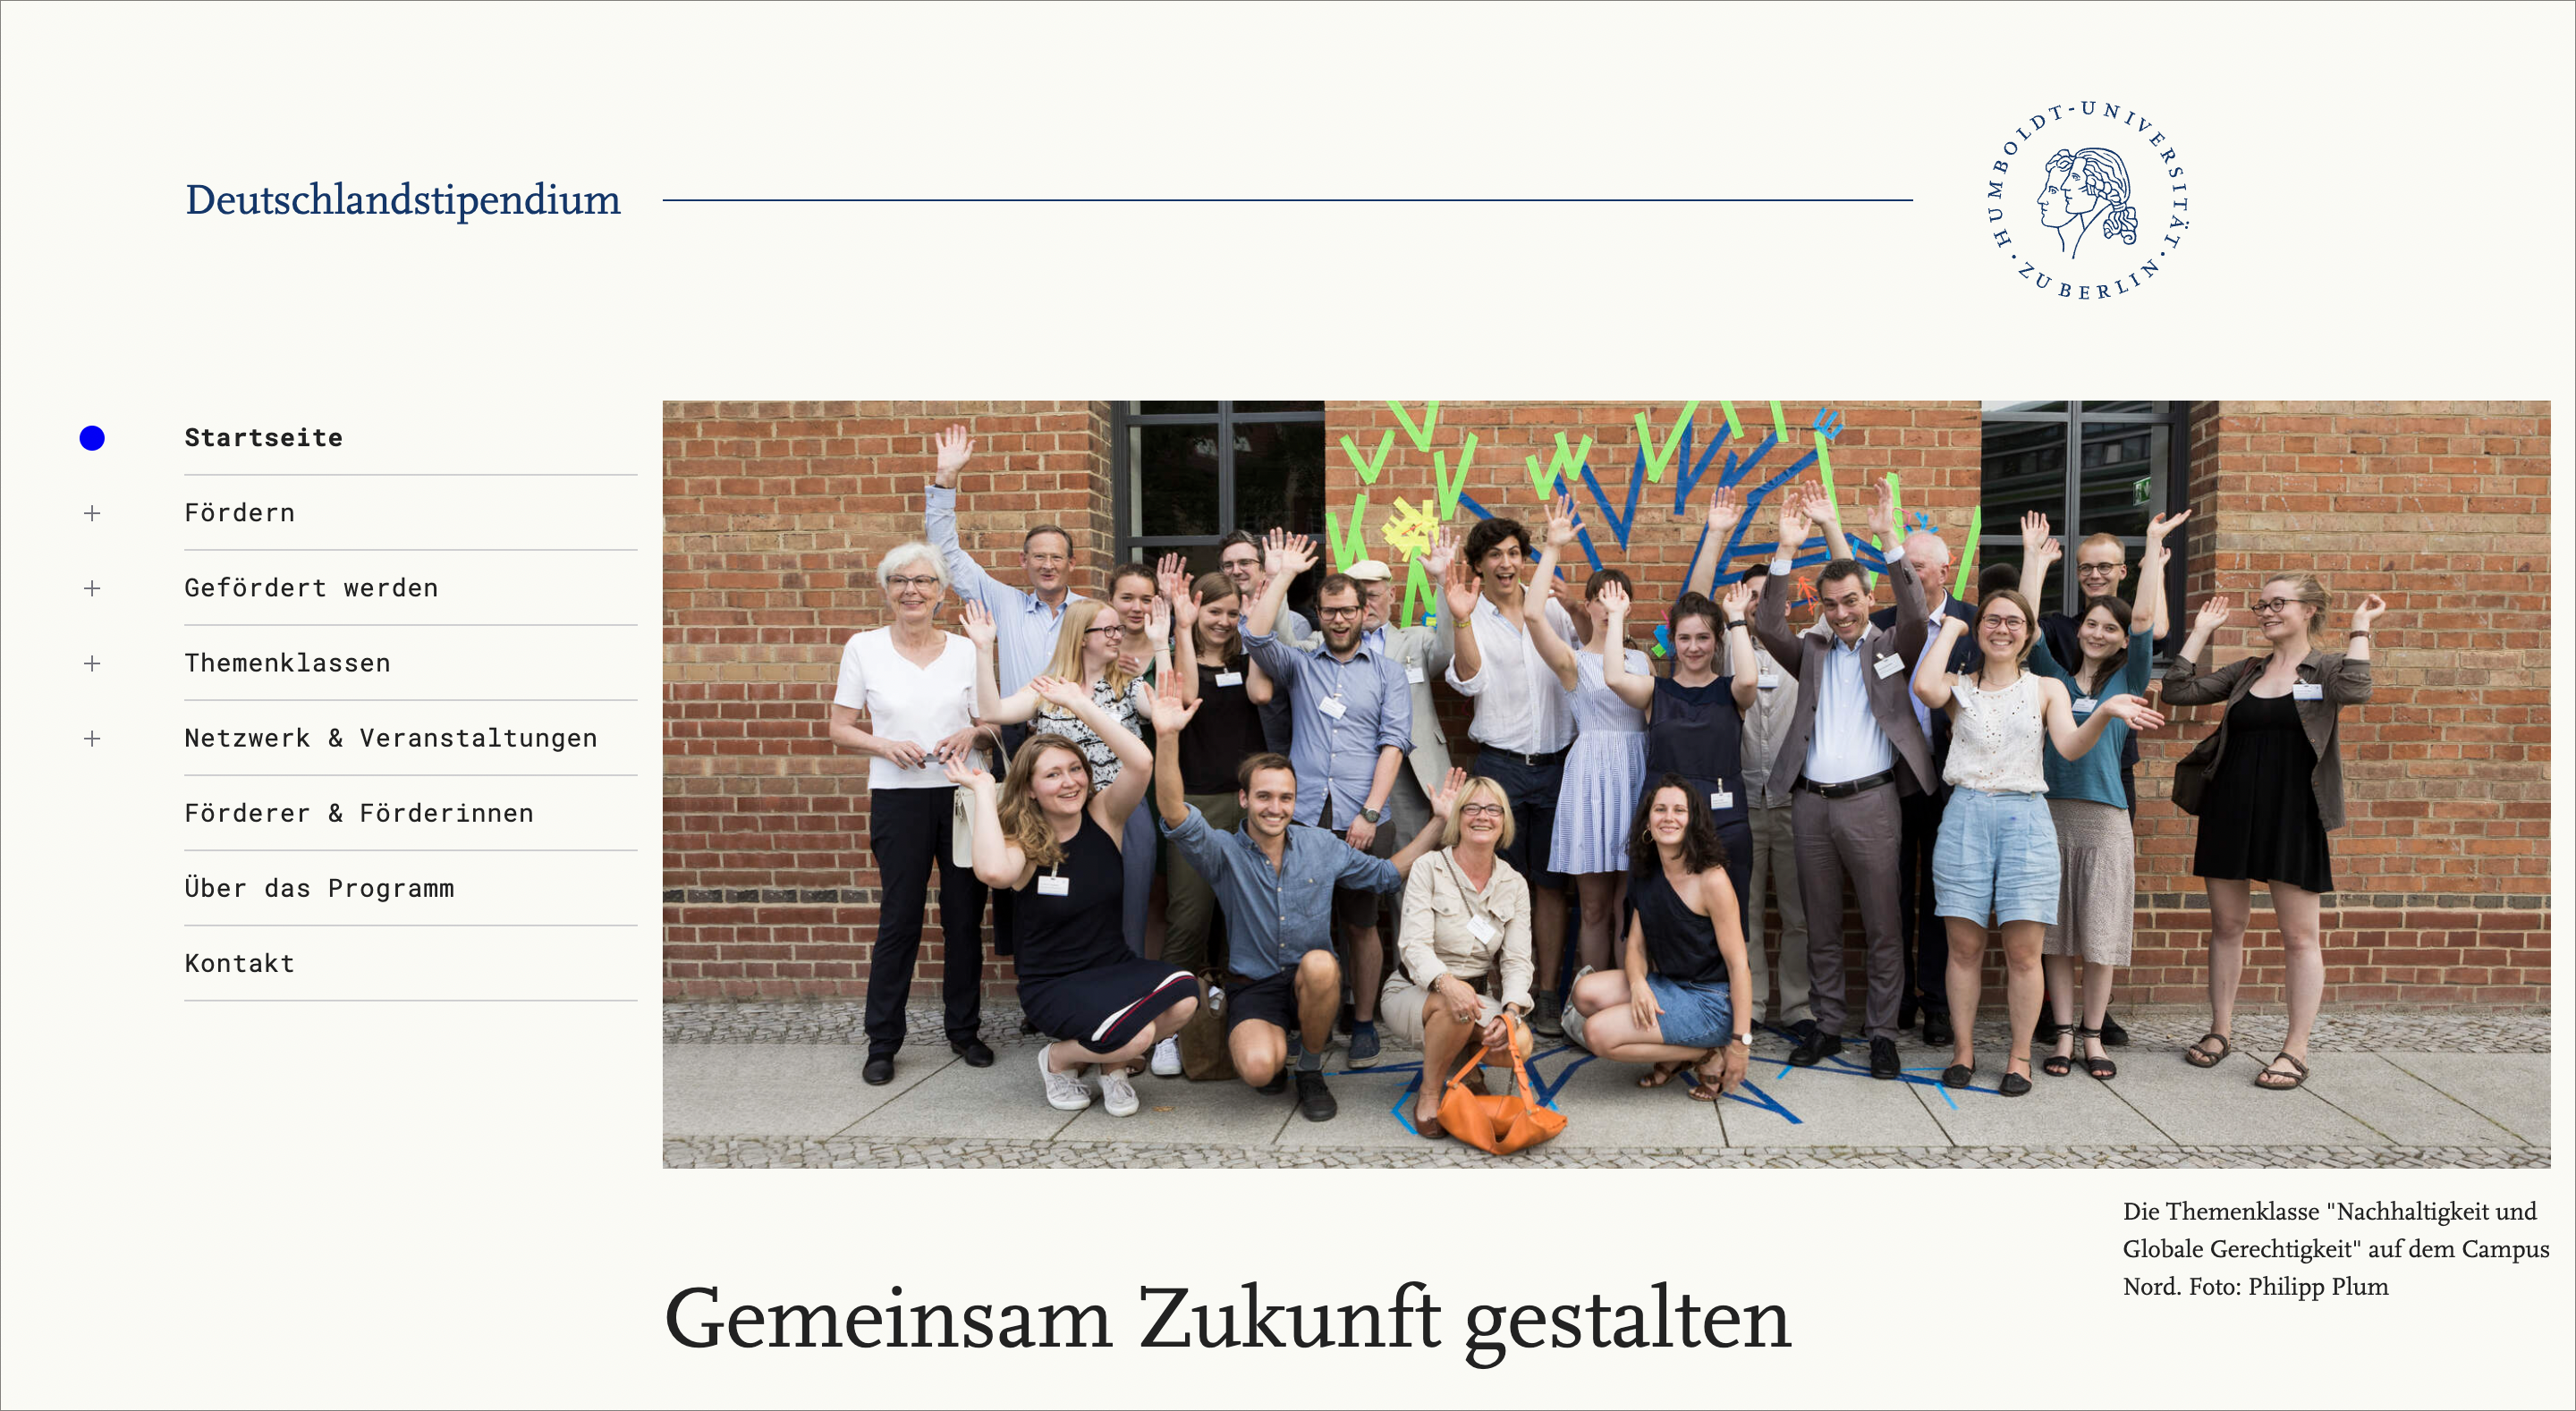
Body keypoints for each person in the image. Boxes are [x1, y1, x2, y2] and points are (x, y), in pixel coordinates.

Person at [1153, 672, 1464, 1120]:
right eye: (1263, 796)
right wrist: (1167, 737)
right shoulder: (1222, 853)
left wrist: (1437, 823)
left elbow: (1386, 874)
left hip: (1311, 984)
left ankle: (1312, 1070)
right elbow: (1173, 810)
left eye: (1285, 798)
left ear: (1295, 802)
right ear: (1243, 798)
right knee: (1261, 1070)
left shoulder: (1321, 847)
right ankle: (1279, 1054)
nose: (1274, 807)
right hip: (1253, 987)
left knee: (1320, 963)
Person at [1911, 587, 2161, 1094]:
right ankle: (1963, 1051)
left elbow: (2069, 747)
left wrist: (2106, 712)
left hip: (2026, 819)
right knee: (1963, 948)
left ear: (2028, 634)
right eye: (1991, 621)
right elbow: (1923, 687)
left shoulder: (2047, 687)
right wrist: (1952, 629)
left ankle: (2019, 1057)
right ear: (1979, 628)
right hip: (1965, 817)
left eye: (2013, 622)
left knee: (2025, 953)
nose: (2002, 629)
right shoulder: (1959, 687)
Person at [2164, 575, 2385, 1091]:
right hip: (2231, 809)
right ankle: (2220, 1032)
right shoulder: (2247, 671)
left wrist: (2359, 629)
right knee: (2226, 925)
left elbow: (2358, 689)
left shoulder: (2327, 669)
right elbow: (2179, 690)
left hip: (2295, 812)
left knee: (2299, 936)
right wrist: (2198, 632)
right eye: (2261, 605)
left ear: (2309, 610)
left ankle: (2295, 1049)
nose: (2265, 612)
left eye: (2277, 604)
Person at [1749, 482, 1936, 1079]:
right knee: (1822, 925)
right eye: (1832, 604)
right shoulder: (1809, 652)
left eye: (1851, 601)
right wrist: (1784, 551)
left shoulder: (1893, 644)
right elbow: (1768, 621)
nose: (1843, 612)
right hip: (1811, 807)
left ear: (1865, 597)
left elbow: (1913, 610)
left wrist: (1888, 540)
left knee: (1883, 927)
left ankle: (1882, 1032)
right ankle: (1828, 1025)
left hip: (1874, 802)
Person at [948, 681, 1195, 1117]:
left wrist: (1081, 705)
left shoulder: (1105, 816)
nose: (1069, 782)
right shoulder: (1023, 843)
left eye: (1074, 769)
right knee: (1137, 1036)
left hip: (1112, 966)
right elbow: (992, 873)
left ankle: (1112, 1066)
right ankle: (1060, 1060)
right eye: (1052, 774)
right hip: (1054, 985)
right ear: (1029, 788)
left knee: (1185, 997)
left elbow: (1140, 761)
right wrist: (985, 793)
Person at [2018, 511, 2185, 1079]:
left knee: (2101, 930)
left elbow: (2143, 621)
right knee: (2057, 933)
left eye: (2108, 629)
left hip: (2105, 818)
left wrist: (2153, 550)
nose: (2098, 633)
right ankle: (2061, 1035)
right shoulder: (2054, 679)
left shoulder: (2129, 680)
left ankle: (2094, 1036)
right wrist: (2034, 562)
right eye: (2092, 625)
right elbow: (2027, 623)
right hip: (2049, 816)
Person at [824, 543, 996, 1086]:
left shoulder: (969, 650)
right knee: (899, 919)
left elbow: (994, 723)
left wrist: (974, 731)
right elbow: (839, 726)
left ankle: (964, 1031)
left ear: (941, 592)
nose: (912, 591)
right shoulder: (864, 647)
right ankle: (882, 1042)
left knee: (964, 918)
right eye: (900, 581)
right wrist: (882, 745)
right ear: (886, 590)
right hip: (898, 798)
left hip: (963, 796)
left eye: (923, 582)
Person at [1240, 531, 1412, 1067]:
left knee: (1362, 922)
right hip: (1305, 815)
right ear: (1319, 614)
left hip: (1364, 813)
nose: (1339, 620)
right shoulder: (1301, 664)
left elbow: (1395, 743)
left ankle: (1362, 1022)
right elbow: (1254, 635)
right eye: (1330, 611)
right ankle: (1310, 1017)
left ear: (1366, 612)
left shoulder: (1388, 673)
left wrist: (1368, 812)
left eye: (1348, 611)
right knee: (1302, 922)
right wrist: (1283, 575)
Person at [1444, 511, 1584, 1037]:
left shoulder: (1549, 607)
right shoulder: (1467, 613)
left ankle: (1546, 996)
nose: (1506, 563)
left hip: (1555, 767)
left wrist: (1575, 609)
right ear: (1478, 566)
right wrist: (1460, 618)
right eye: (1494, 555)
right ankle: (1499, 995)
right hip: (1499, 767)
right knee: (1491, 887)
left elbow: (1583, 664)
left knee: (1550, 886)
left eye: (1513, 553)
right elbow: (1468, 681)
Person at [965, 595, 1165, 953]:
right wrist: (982, 650)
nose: (1117, 635)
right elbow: (991, 709)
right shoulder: (1047, 689)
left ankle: (1126, 990)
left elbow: (1166, 708)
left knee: (1129, 905)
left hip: (1124, 812)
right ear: (1082, 636)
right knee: (1062, 909)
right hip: (1060, 816)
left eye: (1118, 628)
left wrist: (1162, 645)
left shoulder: (1129, 686)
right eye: (1108, 629)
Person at [1679, 490, 1809, 1034]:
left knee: (1800, 916)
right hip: (1734, 807)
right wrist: (1714, 534)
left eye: (1768, 595)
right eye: (1752, 595)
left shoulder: (1807, 651)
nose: (1760, 603)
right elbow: (1692, 604)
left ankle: (1799, 1008)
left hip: (1794, 802)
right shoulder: (1722, 655)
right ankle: (1749, 1008)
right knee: (1744, 914)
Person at [1860, 492, 1977, 1050]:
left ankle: (1934, 999)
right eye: (1901, 561)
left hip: (1954, 779)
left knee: (1940, 893)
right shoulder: (1879, 624)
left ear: (1944, 570)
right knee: (1889, 887)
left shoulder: (1976, 626)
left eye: (1917, 562)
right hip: (1890, 776)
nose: (1906, 569)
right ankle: (1896, 996)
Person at [1566, 778, 1754, 1101]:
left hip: (1711, 1001)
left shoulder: (1712, 879)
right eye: (1660, 809)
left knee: (1596, 1035)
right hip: (1669, 985)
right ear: (1648, 821)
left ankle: (1708, 1053)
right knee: (1584, 992)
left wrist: (1740, 1043)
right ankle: (1687, 1052)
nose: (1669, 817)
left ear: (1693, 820)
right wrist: (1639, 984)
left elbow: (1739, 966)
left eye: (1679, 810)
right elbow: (1636, 946)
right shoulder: (1647, 870)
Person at [1526, 558, 1660, 979]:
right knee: (1595, 906)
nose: (1609, 606)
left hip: (1636, 777)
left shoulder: (1643, 663)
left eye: (1619, 597)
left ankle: (1628, 997)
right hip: (1591, 780)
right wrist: (1552, 549)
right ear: (1587, 606)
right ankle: (1590, 1004)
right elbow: (1532, 614)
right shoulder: (1572, 661)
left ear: (1630, 606)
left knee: (1631, 904)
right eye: (1601, 599)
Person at [1381, 774, 1534, 1138]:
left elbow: (1517, 960)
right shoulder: (1428, 868)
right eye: (1472, 808)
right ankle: (1430, 1091)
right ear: (1458, 817)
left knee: (1519, 1043)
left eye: (1493, 809)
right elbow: (1413, 945)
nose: (1483, 816)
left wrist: (1511, 1012)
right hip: (1413, 990)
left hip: (1476, 997)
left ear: (1504, 821)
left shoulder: (1514, 883)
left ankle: (1463, 1064)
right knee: (1458, 1009)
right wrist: (1446, 983)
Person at [1158, 569, 1274, 984]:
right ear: (1195, 609)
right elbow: (1187, 694)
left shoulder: (1248, 661)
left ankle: (1235, 1012)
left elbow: (1261, 694)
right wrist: (1184, 627)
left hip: (1249, 803)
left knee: (1243, 914)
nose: (1223, 621)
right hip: (1196, 803)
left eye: (1231, 613)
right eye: (1213, 611)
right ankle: (1169, 1025)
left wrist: (1256, 618)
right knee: (1189, 915)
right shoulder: (1176, 655)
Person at [923, 423, 1085, 701]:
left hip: (1078, 731)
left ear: (1071, 563)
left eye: (1056, 557)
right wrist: (946, 478)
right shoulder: (1005, 604)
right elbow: (946, 555)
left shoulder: (1090, 613)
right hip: (1019, 735)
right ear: (1024, 561)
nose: (1048, 565)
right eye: (1039, 557)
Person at [1217, 528, 1318, 756]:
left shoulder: (1296, 623)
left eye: (1245, 562)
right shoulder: (1213, 623)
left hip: (1274, 747)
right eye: (1228, 565)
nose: (1236, 571)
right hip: (1224, 745)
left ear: (1263, 569)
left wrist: (1277, 580)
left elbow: (1294, 672)